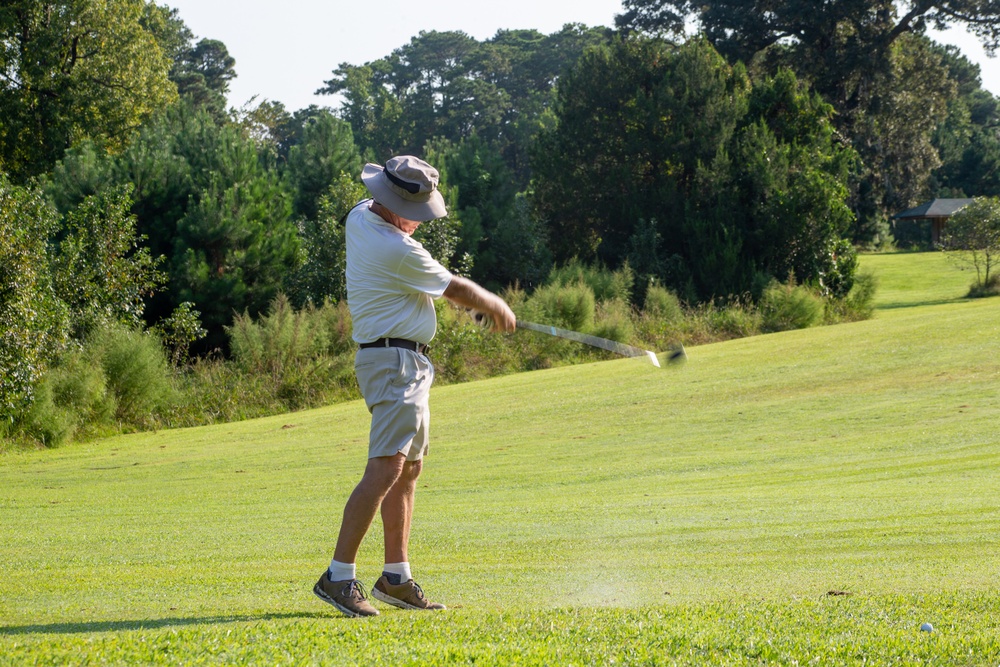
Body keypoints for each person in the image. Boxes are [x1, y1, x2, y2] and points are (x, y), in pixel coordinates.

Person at [313, 155, 516, 617]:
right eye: (417, 213)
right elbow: (456, 290)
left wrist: (475, 304)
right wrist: (494, 305)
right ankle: (338, 576)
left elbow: (435, 287)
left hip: (405, 362)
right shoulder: (395, 248)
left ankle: (395, 577)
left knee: (408, 470)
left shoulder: (361, 215)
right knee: (385, 469)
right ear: (392, 204)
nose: (420, 224)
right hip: (394, 363)